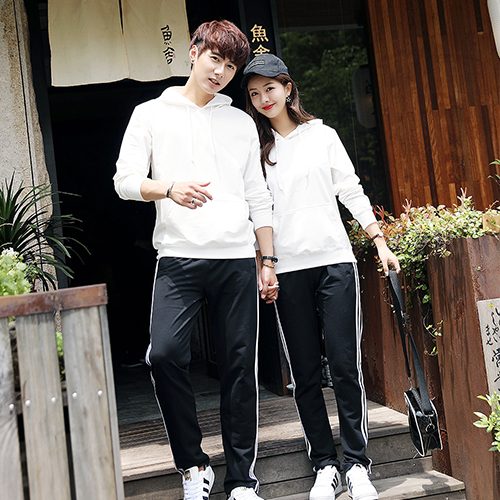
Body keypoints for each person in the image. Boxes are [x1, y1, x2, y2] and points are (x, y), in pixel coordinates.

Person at [114, 21, 278, 500]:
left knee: (239, 367)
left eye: (230, 66)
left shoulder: (241, 122)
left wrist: (267, 259)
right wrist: (168, 188)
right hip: (178, 257)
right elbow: (124, 181)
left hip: (235, 258)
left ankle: (242, 480)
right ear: (193, 52)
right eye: (215, 59)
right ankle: (192, 464)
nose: (221, 72)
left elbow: (258, 196)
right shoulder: (150, 113)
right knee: (164, 355)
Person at [241, 54, 400, 500]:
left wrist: (379, 240)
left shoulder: (322, 135)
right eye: (254, 94)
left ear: (288, 87)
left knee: (345, 367)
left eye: (270, 88)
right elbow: (256, 212)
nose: (263, 99)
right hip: (287, 270)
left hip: (334, 263)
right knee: (305, 374)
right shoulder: (254, 151)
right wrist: (263, 264)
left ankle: (357, 464)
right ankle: (325, 464)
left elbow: (350, 188)